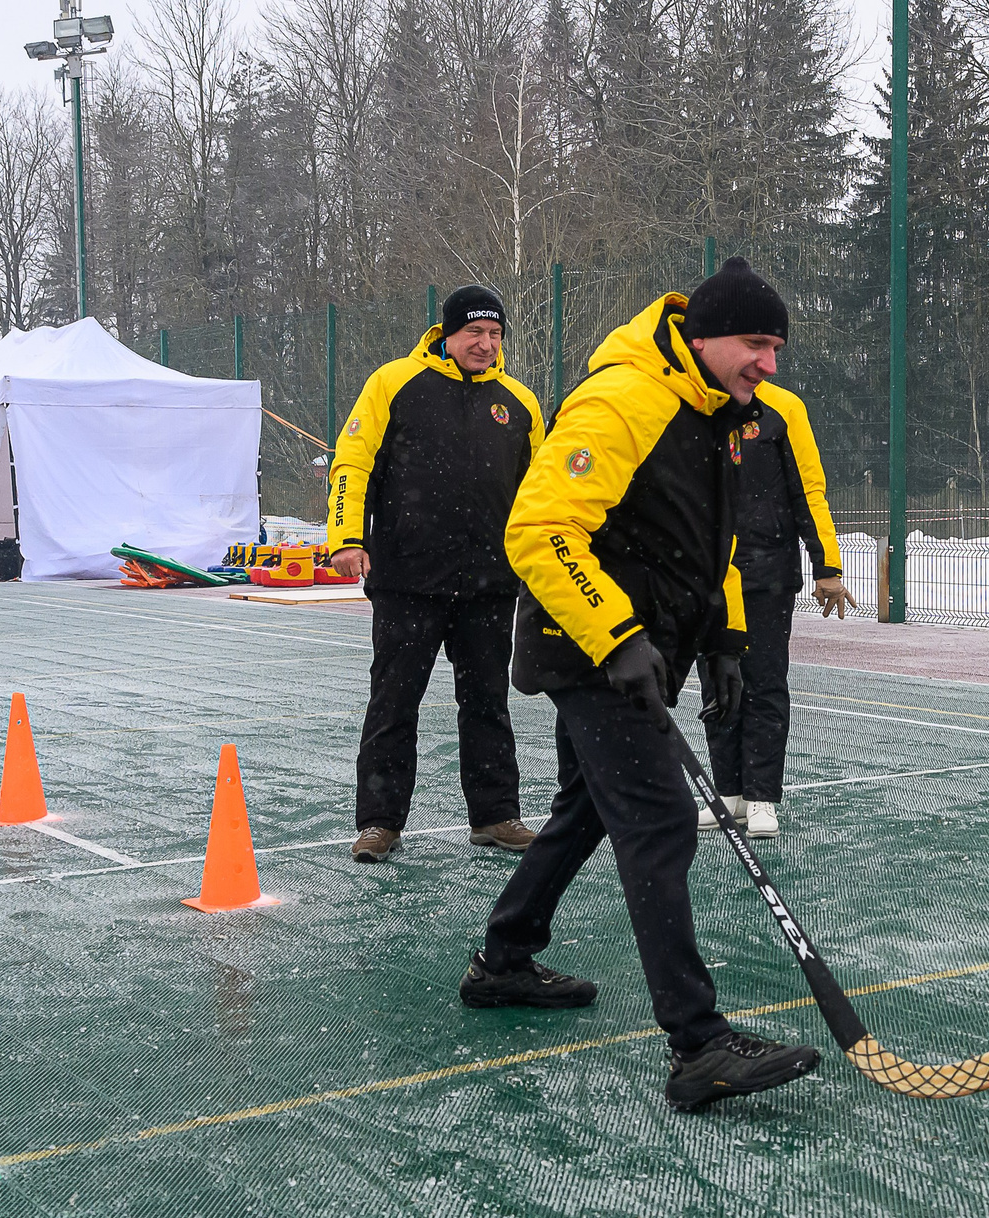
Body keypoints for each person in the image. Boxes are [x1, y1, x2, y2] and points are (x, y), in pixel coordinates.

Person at [460, 258, 824, 1112]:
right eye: (755, 344)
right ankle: (698, 1045)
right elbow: (541, 532)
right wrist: (616, 636)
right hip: (588, 647)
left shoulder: (716, 410)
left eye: (776, 347)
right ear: (703, 338)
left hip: (647, 646)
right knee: (659, 817)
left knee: (589, 806)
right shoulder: (623, 401)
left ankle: (504, 959)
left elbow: (713, 542)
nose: (768, 364)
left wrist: (728, 640)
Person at [328, 285, 544, 863]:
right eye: (475, 332)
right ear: (446, 334)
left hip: (491, 586)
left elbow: (541, 493)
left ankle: (496, 817)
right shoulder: (394, 383)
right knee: (394, 703)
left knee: (488, 704)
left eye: (495, 334)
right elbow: (353, 463)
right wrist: (347, 540)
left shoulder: (519, 402)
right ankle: (379, 823)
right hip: (408, 582)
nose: (486, 344)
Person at [694, 379, 855, 838]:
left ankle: (762, 797)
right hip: (708, 578)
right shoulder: (696, 404)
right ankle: (729, 794)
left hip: (767, 577)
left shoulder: (784, 408)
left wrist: (827, 566)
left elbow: (809, 489)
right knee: (717, 684)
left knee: (763, 683)